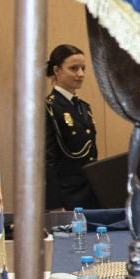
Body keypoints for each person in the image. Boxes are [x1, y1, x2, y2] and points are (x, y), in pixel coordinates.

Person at [43, 43, 98, 209]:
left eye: (83, 68)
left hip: (90, 192)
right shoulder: (49, 108)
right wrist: (54, 204)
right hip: (66, 196)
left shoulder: (83, 108)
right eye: (73, 68)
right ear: (57, 71)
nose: (80, 74)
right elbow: (47, 160)